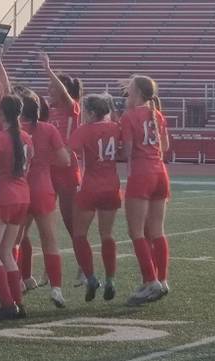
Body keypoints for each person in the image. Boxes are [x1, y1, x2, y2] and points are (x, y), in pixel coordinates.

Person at [14, 86, 70, 308]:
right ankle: (56, 289)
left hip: (21, 190)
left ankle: (16, 281)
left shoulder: (14, 130)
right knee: (50, 242)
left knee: (14, 241)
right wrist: (46, 161)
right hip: (43, 189)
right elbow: (65, 160)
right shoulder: (48, 129)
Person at [0, 94, 34, 321]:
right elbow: (27, 166)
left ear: (2, 113)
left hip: (3, 196)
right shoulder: (26, 138)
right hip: (22, 195)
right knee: (6, 251)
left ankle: (7, 303)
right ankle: (17, 302)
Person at [121, 75, 171, 306]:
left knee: (137, 232)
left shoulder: (129, 116)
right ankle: (161, 279)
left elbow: (128, 151)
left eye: (129, 90)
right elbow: (165, 145)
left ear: (139, 93)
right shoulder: (157, 114)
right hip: (160, 173)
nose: (127, 94)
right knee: (157, 231)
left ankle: (151, 280)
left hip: (142, 174)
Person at [69, 94, 123, 302]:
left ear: (92, 112)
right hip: (111, 184)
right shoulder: (115, 127)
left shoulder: (84, 130)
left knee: (80, 234)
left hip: (91, 186)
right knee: (107, 234)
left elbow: (69, 151)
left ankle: (91, 277)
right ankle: (111, 279)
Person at [38, 51, 82, 255]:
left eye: (51, 88)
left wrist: (48, 70)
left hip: (66, 168)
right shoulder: (48, 111)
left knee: (70, 221)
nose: (49, 92)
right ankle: (49, 268)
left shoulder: (70, 107)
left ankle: (84, 267)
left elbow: (65, 95)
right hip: (49, 171)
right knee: (46, 220)